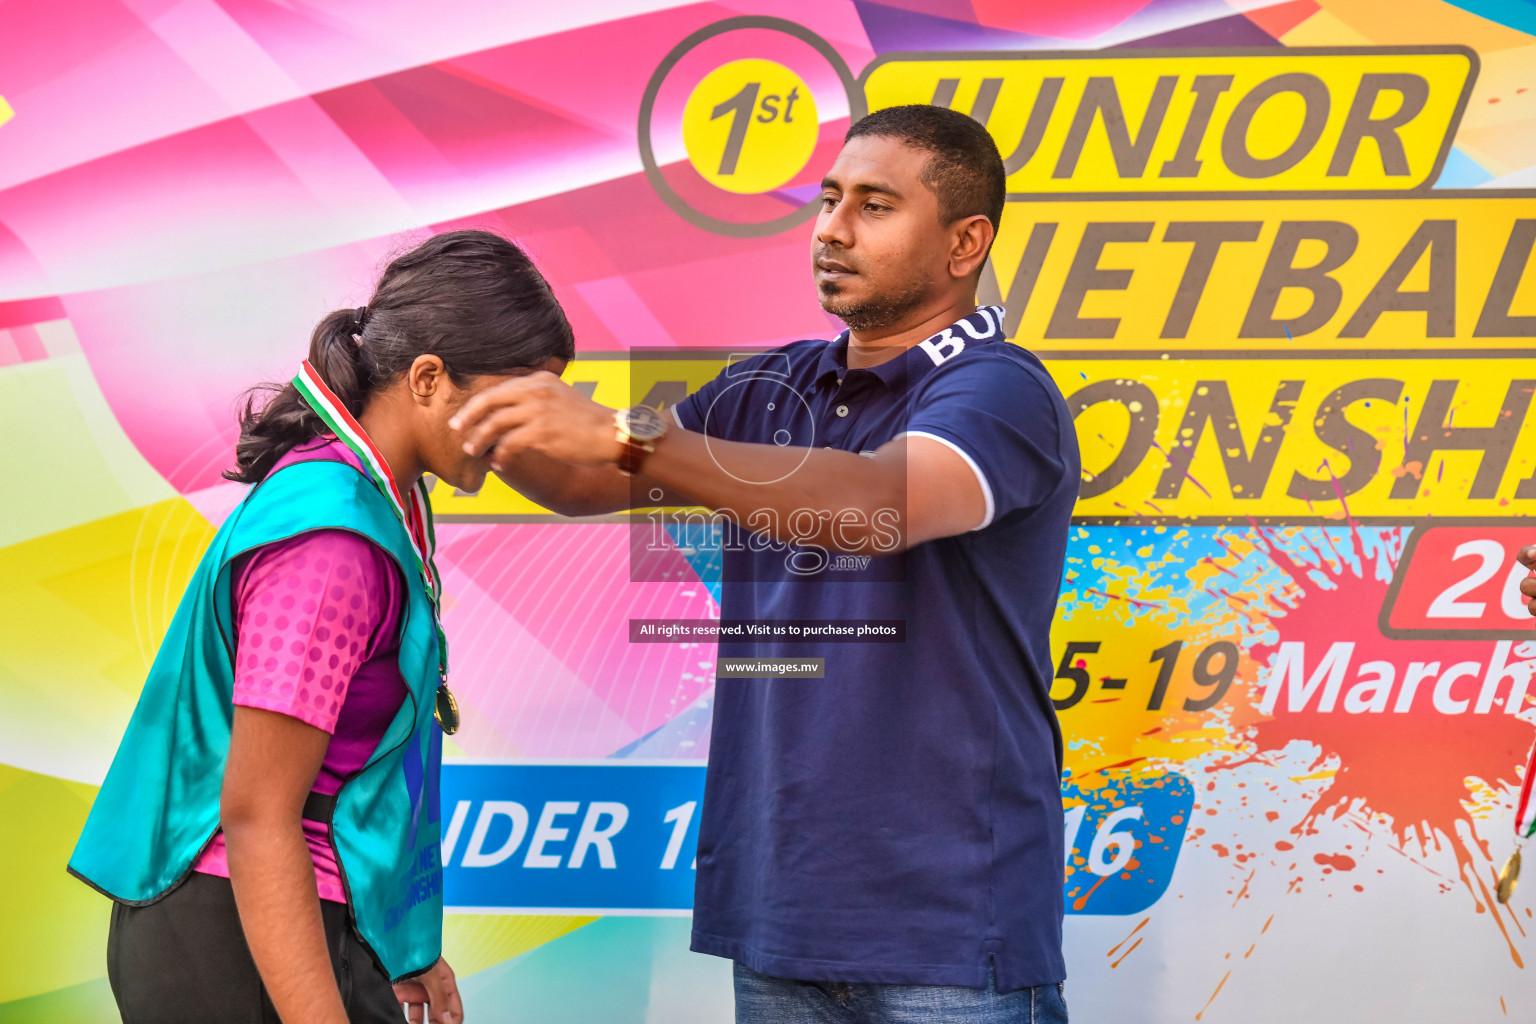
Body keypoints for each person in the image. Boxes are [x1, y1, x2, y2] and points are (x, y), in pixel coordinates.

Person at [453, 105, 1077, 1022]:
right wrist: (462, 394)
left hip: (948, 933)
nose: (831, 228)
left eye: (874, 205)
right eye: (828, 200)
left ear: (964, 243)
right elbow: (586, 484)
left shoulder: (1000, 387)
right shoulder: (770, 385)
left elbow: (876, 507)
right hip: (781, 920)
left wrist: (628, 436)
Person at [69, 230, 574, 1024]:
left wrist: (396, 944)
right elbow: (259, 812)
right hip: (229, 931)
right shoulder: (332, 542)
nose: (535, 430)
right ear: (431, 379)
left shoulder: (384, 499)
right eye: (518, 399)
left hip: (292, 915)